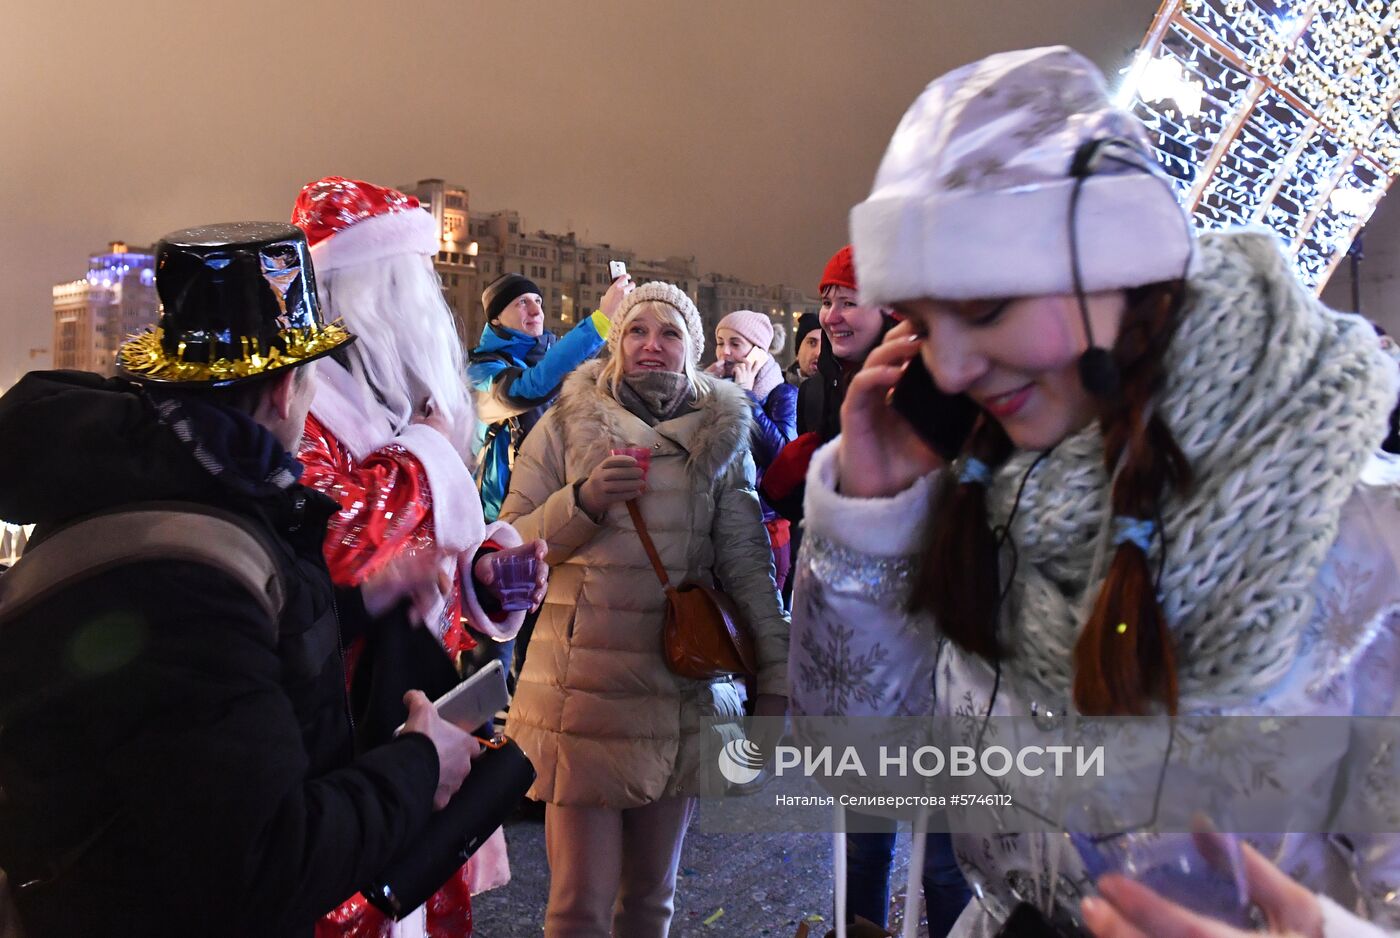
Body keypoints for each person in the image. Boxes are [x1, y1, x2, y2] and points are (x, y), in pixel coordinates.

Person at [789, 46, 1400, 937]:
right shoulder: (975, 490)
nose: (951, 369)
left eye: (989, 308)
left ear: (1121, 270)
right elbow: (854, 766)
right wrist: (867, 518)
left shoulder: (1361, 528)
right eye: (924, 325)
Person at [0, 223, 483, 937]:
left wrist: (359, 602)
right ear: (288, 390)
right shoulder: (188, 576)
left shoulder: (144, 483)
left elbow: (210, 678)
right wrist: (421, 766)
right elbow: (264, 863)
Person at [290, 177, 547, 936]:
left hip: (412, 719)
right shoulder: (303, 406)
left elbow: (414, 570)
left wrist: (482, 580)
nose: (427, 302)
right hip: (339, 734)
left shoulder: (392, 402)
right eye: (411, 281)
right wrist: (429, 450)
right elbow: (341, 550)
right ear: (367, 291)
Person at [499, 282, 790, 937]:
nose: (651, 345)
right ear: (616, 340)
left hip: (681, 692)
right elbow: (510, 544)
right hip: (583, 697)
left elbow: (748, 566)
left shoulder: (721, 434)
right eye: (637, 330)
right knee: (577, 907)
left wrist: (776, 677)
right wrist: (583, 500)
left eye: (670, 332)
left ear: (691, 347)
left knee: (651, 904)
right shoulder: (567, 423)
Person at [468, 270, 633, 695]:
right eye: (521, 302)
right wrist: (599, 321)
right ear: (496, 319)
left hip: (554, 516)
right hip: (497, 528)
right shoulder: (482, 372)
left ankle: (525, 744)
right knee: (491, 655)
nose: (534, 308)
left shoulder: (555, 359)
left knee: (542, 657)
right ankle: (474, 744)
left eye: (538, 301)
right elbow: (526, 391)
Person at [707, 309, 798, 596]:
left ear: (759, 351)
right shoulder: (720, 388)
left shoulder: (782, 394)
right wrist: (701, 389)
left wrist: (747, 397)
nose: (725, 352)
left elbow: (781, 455)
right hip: (720, 524)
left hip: (766, 527)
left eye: (736, 343)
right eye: (721, 342)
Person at [787, 312, 823, 386]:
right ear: (798, 352)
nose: (818, 352)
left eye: (825, 345)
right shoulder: (775, 389)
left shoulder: (844, 392)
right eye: (812, 343)